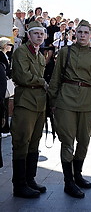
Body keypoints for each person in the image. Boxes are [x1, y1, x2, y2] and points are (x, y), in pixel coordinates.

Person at [48, 20, 91, 199]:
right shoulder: (65, 52)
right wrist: (53, 101)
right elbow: (56, 76)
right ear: (75, 34)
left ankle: (77, 175)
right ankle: (68, 182)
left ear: (90, 35)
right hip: (66, 98)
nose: (82, 35)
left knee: (84, 140)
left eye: (86, 32)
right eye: (79, 32)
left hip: (87, 101)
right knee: (67, 141)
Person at [10, 21, 47, 198]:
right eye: (36, 33)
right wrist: (41, 82)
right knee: (21, 142)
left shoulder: (40, 55)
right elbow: (22, 76)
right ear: (28, 35)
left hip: (39, 103)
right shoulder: (21, 52)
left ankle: (30, 179)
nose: (39, 36)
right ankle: (19, 185)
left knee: (34, 142)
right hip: (25, 101)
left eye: (41, 34)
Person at [0, 38, 13, 137]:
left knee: (5, 104)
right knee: (3, 105)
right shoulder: (1, 55)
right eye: (9, 44)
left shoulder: (6, 55)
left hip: (6, 82)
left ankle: (5, 128)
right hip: (3, 83)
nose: (10, 46)